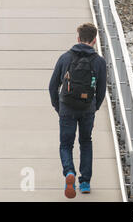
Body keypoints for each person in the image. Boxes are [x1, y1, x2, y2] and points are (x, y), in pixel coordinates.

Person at [49, 23, 107, 199]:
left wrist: (58, 107)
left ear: (78, 38)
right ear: (95, 40)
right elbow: (102, 90)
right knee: (86, 142)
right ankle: (85, 182)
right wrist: (94, 107)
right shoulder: (99, 62)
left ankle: (69, 173)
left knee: (66, 144)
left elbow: (52, 86)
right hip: (87, 108)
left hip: (67, 107)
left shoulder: (65, 58)